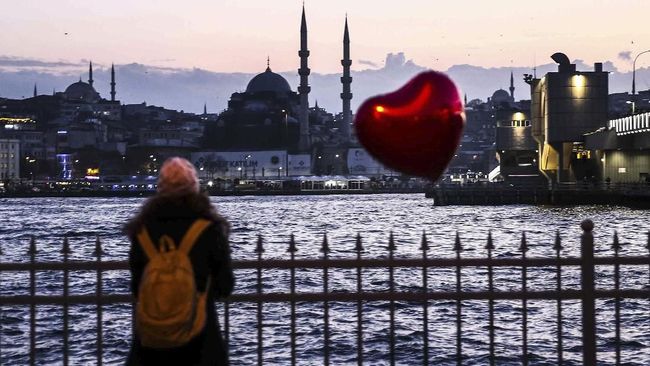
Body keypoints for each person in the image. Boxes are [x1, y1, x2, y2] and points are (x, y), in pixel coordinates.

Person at [124, 157, 234, 365]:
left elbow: (137, 286)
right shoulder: (208, 230)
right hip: (201, 342)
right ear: (194, 188)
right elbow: (225, 285)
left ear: (160, 189)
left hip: (151, 346)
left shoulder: (142, 231)